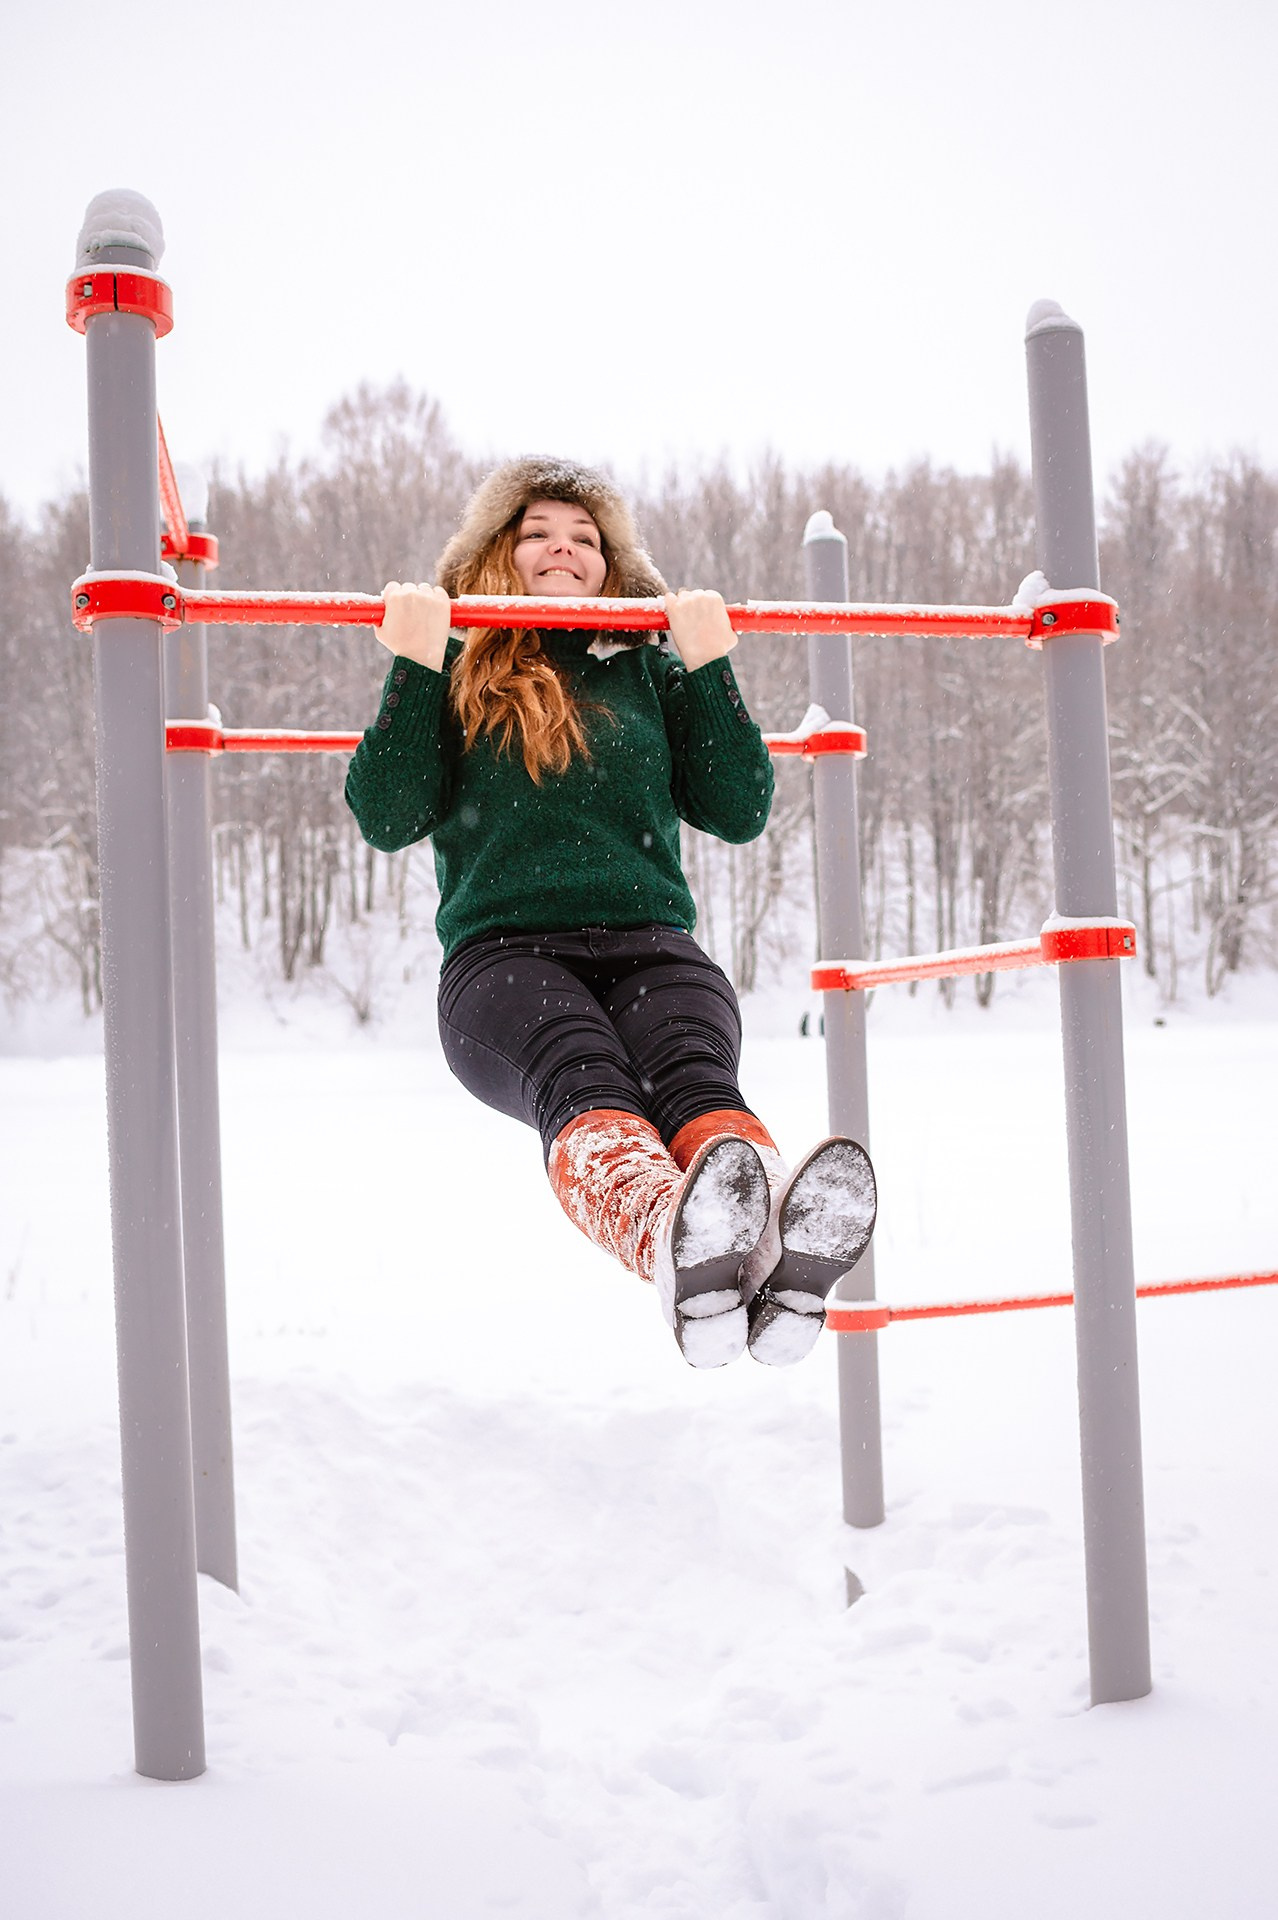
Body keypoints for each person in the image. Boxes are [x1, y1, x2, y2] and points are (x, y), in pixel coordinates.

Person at [345, 457, 875, 1368]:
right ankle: (675, 1235)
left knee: (696, 1084)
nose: (564, 548)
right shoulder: (458, 664)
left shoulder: (646, 671)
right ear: (497, 553)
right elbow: (387, 815)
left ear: (611, 564)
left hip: (652, 946)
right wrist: (414, 661)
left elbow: (738, 808)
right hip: (505, 957)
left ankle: (771, 1248)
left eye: (585, 537)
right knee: (583, 1074)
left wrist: (708, 665)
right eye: (539, 533)